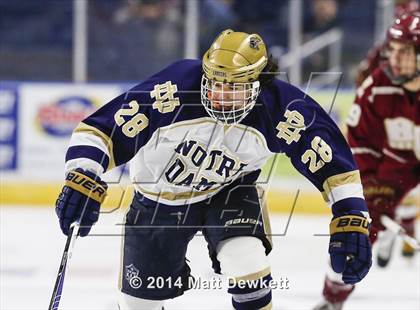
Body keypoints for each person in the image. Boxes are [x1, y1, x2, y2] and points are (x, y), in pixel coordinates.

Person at [55, 29, 372, 310]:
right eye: (214, 83)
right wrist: (82, 174)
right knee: (140, 303)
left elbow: (334, 164)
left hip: (230, 193)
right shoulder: (175, 88)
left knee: (247, 259)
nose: (220, 95)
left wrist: (351, 217)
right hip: (158, 200)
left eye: (233, 87)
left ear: (258, 85)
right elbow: (101, 129)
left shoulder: (283, 109)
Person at [315, 12, 420, 310]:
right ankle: (332, 298)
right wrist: (370, 189)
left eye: (406, 52)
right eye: (393, 50)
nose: (395, 59)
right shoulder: (377, 88)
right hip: (394, 168)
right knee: (357, 229)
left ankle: (406, 221)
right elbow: (361, 145)